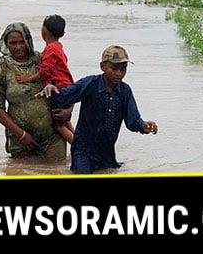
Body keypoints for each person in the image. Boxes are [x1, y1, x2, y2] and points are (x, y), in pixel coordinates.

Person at [38, 45, 158, 174]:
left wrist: (144, 126)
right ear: (103, 67)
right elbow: (64, 97)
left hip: (107, 152)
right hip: (83, 151)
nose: (119, 73)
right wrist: (50, 87)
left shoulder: (125, 91)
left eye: (123, 69)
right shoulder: (90, 84)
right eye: (114, 68)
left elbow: (132, 121)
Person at [0, 23, 71, 160]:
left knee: (57, 171)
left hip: (52, 138)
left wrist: (67, 111)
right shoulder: (1, 68)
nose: (18, 47)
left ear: (28, 40)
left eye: (22, 42)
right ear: (6, 44)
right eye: (13, 43)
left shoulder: (44, 59)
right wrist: (21, 134)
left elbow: (67, 86)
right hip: (20, 141)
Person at [16, 15, 75, 144]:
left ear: (44, 31)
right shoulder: (58, 47)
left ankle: (79, 148)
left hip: (60, 89)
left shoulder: (50, 49)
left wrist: (28, 78)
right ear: (63, 33)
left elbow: (45, 72)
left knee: (58, 126)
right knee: (65, 122)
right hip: (67, 88)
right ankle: (82, 144)